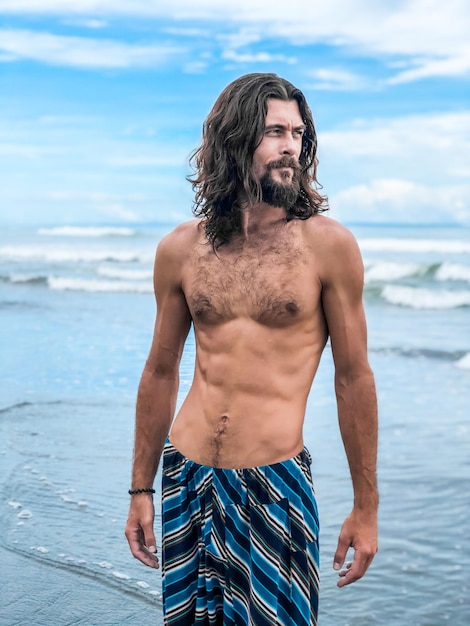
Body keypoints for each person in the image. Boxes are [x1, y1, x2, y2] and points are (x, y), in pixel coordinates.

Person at [125, 72, 378, 625]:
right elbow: (161, 370)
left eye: (298, 133)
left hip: (274, 484)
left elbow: (353, 377)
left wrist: (366, 507)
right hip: (187, 476)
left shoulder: (328, 247)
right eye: (274, 132)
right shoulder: (180, 250)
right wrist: (140, 488)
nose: (292, 146)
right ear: (235, 139)